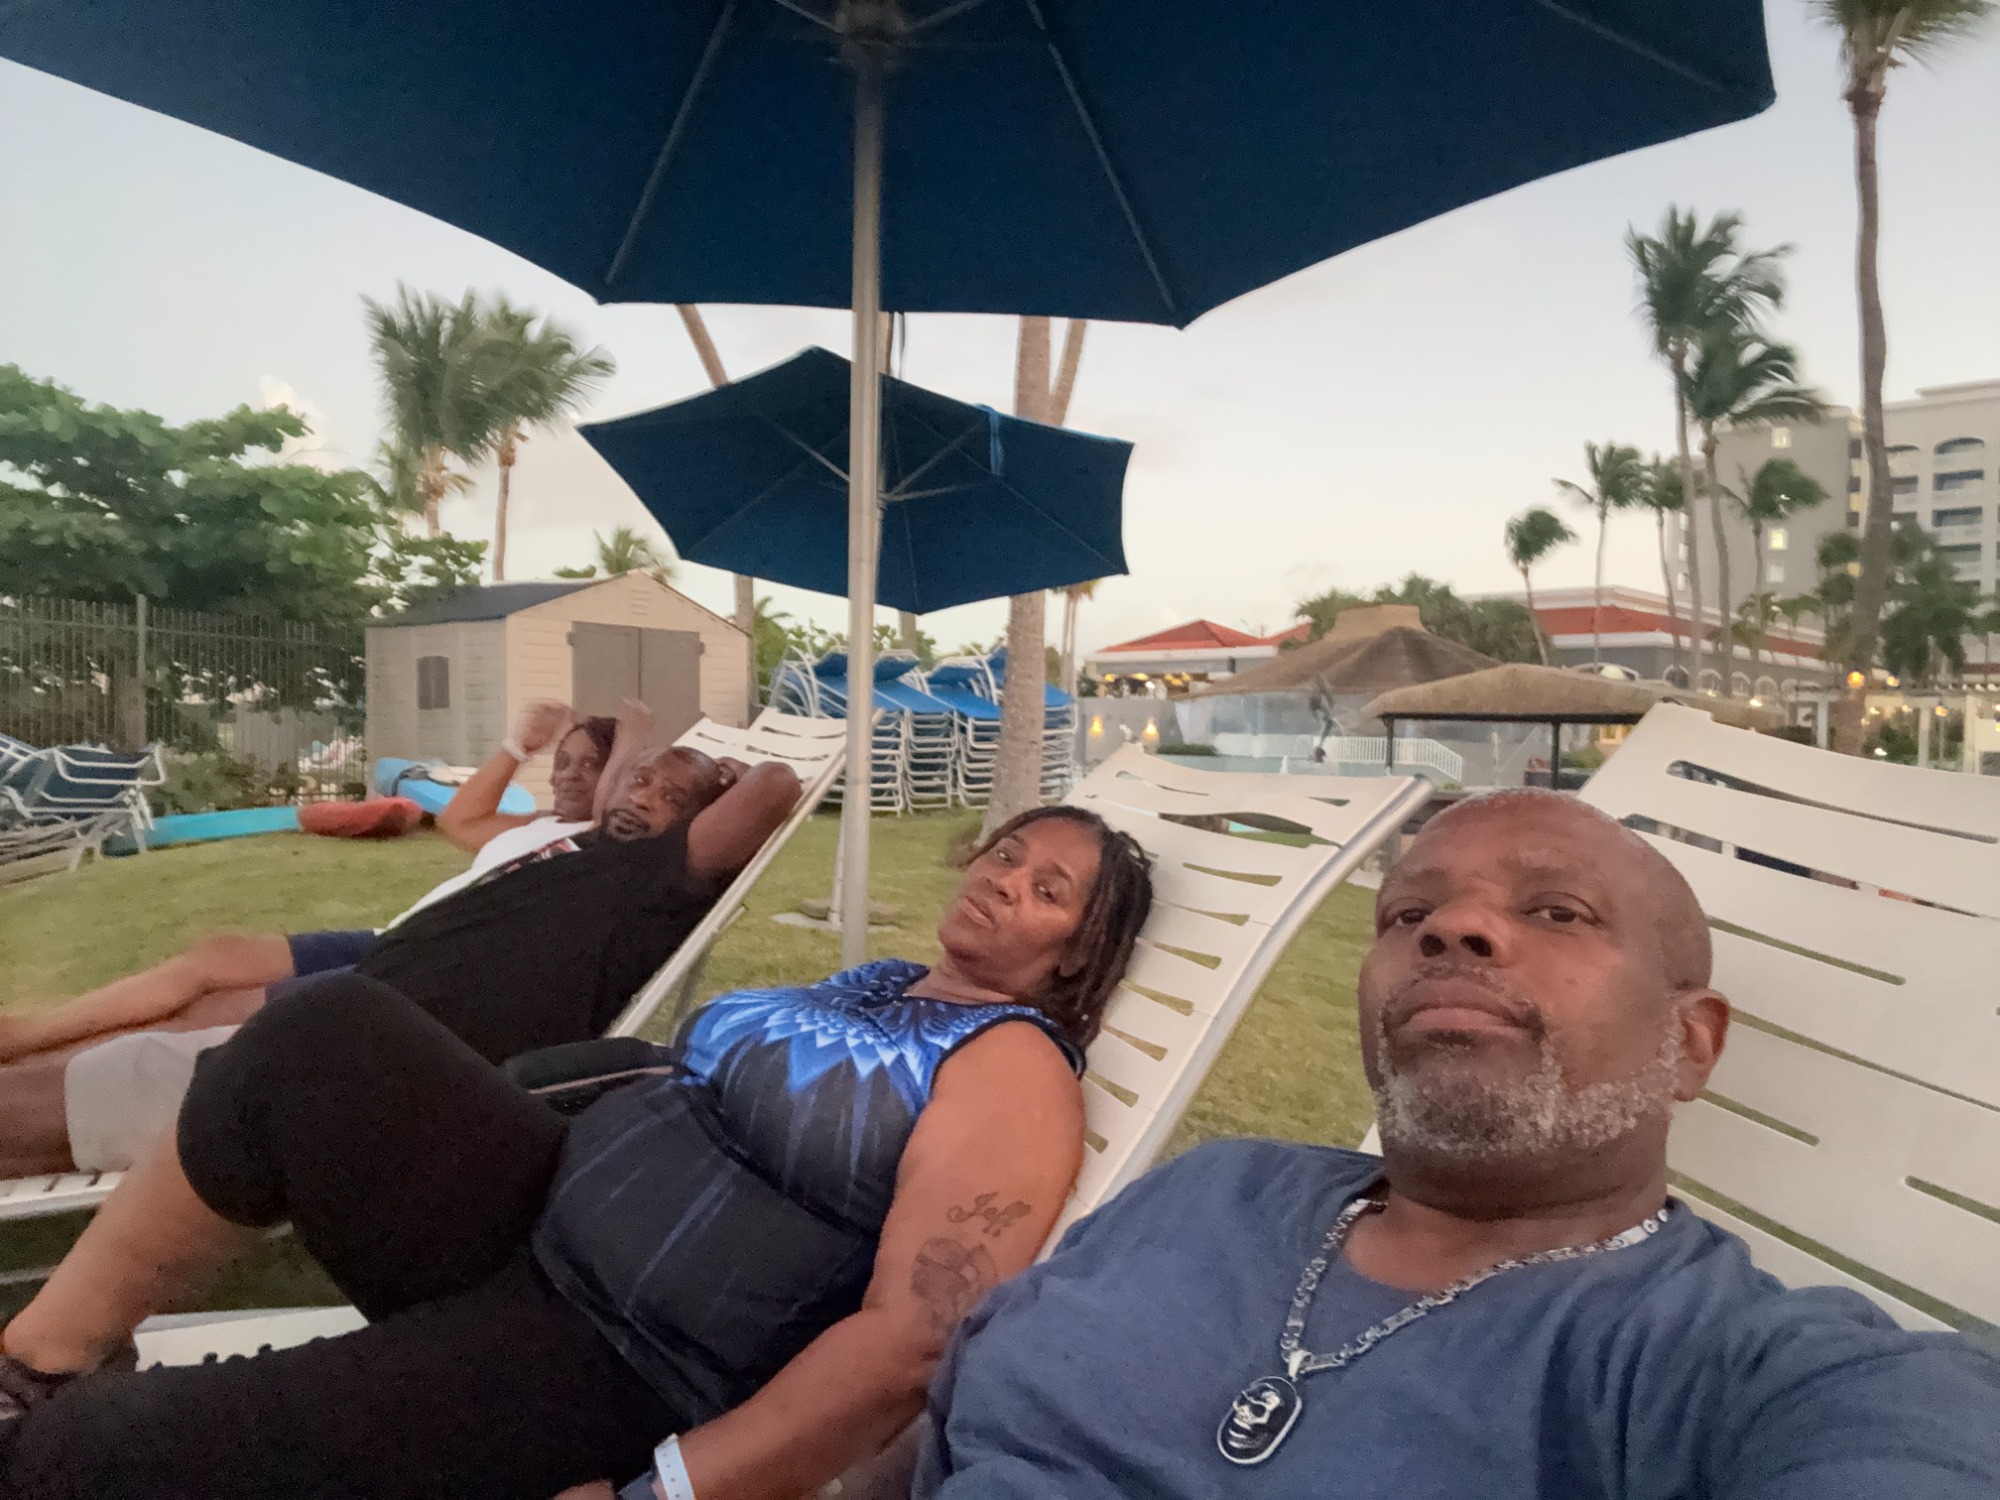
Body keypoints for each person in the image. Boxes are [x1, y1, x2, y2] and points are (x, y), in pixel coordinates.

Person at [0, 805, 1155, 1500]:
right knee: (318, 1032)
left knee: (97, 1458)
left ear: (1073, 957)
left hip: (615, 1359)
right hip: (534, 1220)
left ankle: (61, 1429)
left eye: (1045, 889)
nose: (1002, 878)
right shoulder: (878, 986)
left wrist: (667, 1491)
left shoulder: (1012, 1067)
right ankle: (40, 1360)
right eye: (1005, 853)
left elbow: (912, 1340)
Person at [908, 790, 2000, 1499]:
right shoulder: (1211, 1187)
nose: (1449, 929)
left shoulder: (1734, 1369)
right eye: (1405, 915)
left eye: (1558, 911)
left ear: (1690, 1044)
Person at [0, 740, 798, 1179]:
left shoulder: (658, 879)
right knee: (95, 1082)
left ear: (700, 822)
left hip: (354, 1059)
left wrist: (734, 775)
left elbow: (775, 784)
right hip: (352, 1020)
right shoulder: (589, 846)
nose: (639, 795)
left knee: (48, 1106)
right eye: (641, 780)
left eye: (669, 796)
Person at [0, 700, 618, 1071]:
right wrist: (519, 746)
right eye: (563, 761)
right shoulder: (539, 824)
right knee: (217, 956)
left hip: (431, 965)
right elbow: (460, 821)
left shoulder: (605, 844)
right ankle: (27, 1037)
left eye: (591, 765)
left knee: (215, 1013)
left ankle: (39, 1070)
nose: (568, 775)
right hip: (398, 936)